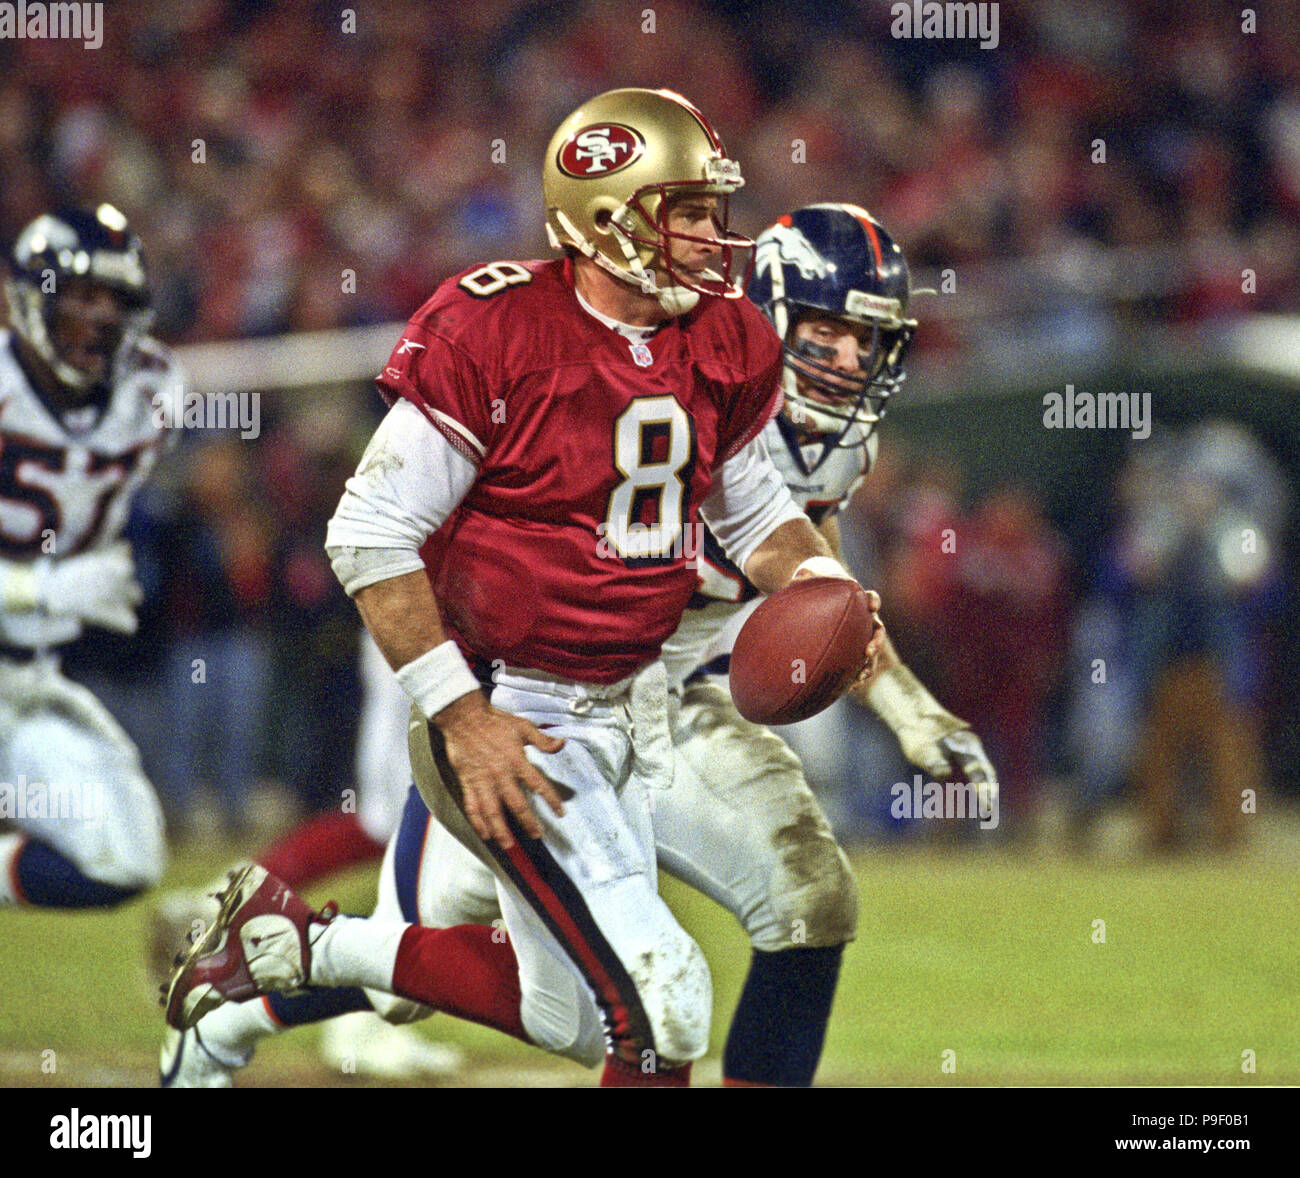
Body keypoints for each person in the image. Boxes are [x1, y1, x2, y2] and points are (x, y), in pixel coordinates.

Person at [162, 88, 885, 1089]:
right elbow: (368, 533)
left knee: (573, 1016)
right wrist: (463, 717)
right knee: (662, 998)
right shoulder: (496, 326)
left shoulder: (720, 337)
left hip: (628, 706)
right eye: (685, 212)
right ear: (606, 217)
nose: (713, 237)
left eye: (713, 211)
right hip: (512, 706)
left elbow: (752, 508)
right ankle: (301, 960)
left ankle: (293, 946)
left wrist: (818, 582)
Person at [0, 205, 175, 911]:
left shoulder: (151, 390)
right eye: (82, 295)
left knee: (123, 860)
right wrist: (40, 590)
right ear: (29, 295)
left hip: (27, 680)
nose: (101, 317)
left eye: (116, 300)